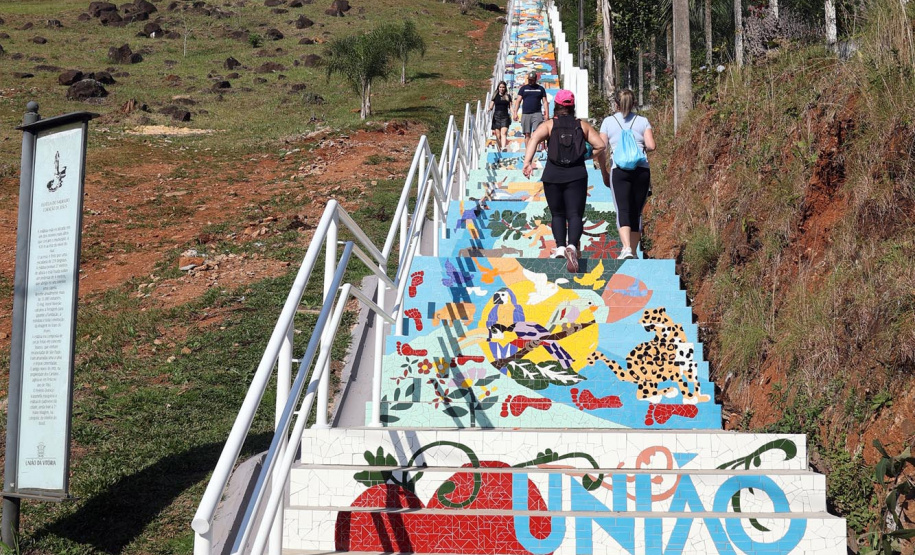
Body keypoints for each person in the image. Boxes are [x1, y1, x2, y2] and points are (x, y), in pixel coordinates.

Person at [521, 90, 605, 273]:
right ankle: (572, 247)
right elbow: (601, 145)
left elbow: (534, 138)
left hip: (552, 175)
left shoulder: (549, 125)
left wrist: (527, 162)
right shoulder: (582, 126)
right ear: (572, 106)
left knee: (557, 214)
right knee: (574, 214)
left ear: (557, 106)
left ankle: (559, 248)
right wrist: (585, 156)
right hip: (577, 174)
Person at [599, 89, 656, 260]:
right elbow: (651, 146)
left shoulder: (608, 122)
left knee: (622, 209)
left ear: (616, 103)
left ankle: (626, 249)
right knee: (636, 211)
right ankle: (633, 249)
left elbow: (601, 148)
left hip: (620, 171)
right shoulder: (643, 121)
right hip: (641, 170)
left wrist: (603, 171)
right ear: (634, 103)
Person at [512, 71, 549, 151]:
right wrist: (515, 113)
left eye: (532, 80)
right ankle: (528, 150)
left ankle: (536, 149)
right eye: (529, 80)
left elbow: (545, 102)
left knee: (537, 133)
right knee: (527, 133)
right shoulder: (523, 89)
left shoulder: (540, 89)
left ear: (535, 79)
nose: (530, 81)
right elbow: (518, 101)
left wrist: (547, 114)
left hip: (537, 113)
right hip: (526, 114)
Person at [488, 81, 512, 152]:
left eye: (503, 87)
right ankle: (500, 148)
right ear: (498, 88)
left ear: (505, 88)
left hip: (505, 116)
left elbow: (510, 107)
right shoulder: (495, 96)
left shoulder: (508, 96)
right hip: (496, 116)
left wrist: (514, 113)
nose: (502, 89)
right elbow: (491, 105)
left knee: (503, 133)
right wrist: (489, 109)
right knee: (498, 136)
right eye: (500, 87)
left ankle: (503, 147)